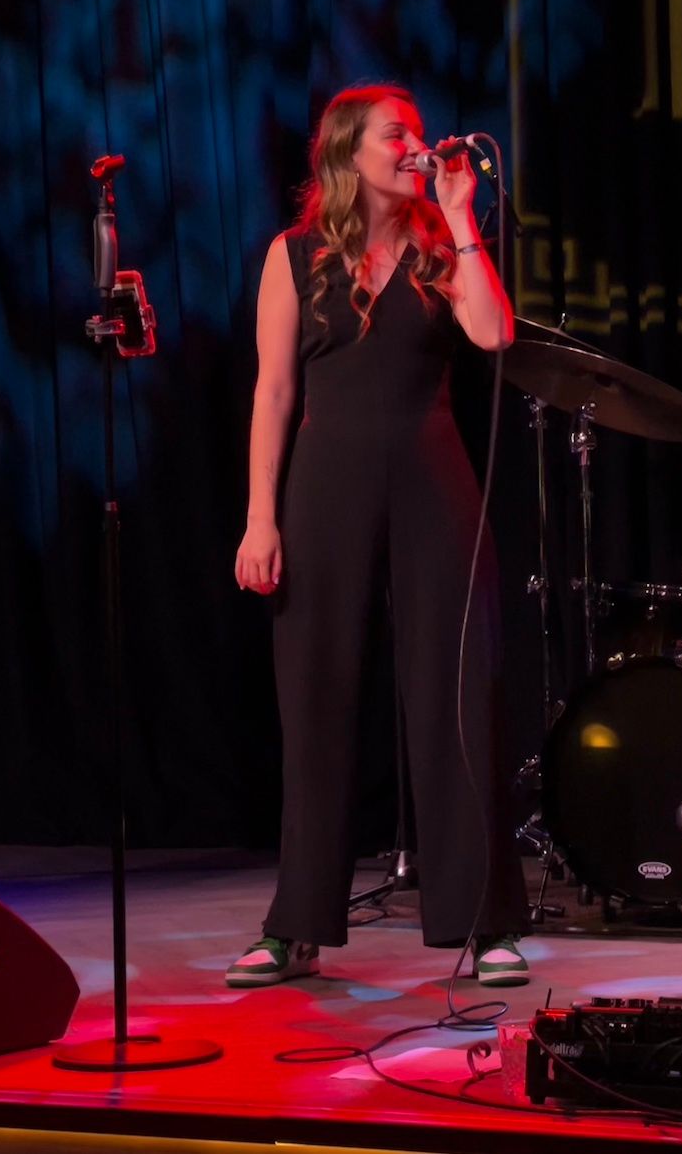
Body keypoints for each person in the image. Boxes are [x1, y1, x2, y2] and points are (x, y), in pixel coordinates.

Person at [228, 84, 530, 988]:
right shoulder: (294, 255)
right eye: (395, 134)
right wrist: (260, 516)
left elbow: (494, 335)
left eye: (417, 132)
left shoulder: (443, 249)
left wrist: (462, 217)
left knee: (459, 696)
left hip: (434, 478)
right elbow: (273, 391)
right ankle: (295, 926)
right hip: (327, 483)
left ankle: (486, 921)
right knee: (315, 700)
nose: (415, 145)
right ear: (347, 154)